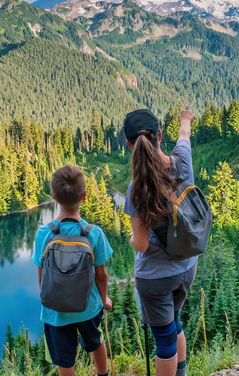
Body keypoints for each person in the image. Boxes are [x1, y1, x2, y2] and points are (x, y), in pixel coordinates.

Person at [123, 104, 197, 376]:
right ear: (160, 135)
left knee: (164, 339)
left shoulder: (136, 188)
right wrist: (185, 119)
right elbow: (185, 136)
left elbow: (141, 244)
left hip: (155, 278)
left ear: (131, 145)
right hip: (187, 266)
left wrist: (131, 236)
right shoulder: (181, 162)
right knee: (174, 322)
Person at [32, 165, 113, 376]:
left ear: (53, 196)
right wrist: (103, 300)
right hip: (88, 306)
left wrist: (50, 298)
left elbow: (42, 278)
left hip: (55, 312)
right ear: (84, 196)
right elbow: (101, 277)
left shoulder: (43, 233)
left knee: (65, 361)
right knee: (96, 343)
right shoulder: (94, 234)